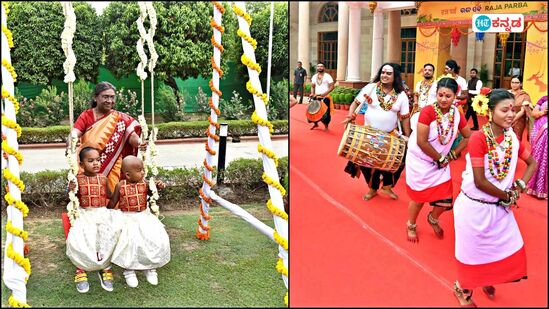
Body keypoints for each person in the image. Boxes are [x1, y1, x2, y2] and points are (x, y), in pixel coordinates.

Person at [452, 89, 537, 306]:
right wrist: (507, 195)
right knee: (472, 254)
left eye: (513, 109)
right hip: (474, 209)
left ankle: (486, 278)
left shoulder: (512, 140)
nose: (511, 114)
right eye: (505, 110)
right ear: (490, 112)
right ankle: (463, 290)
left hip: (499, 207)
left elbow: (532, 163)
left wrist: (519, 186)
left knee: (503, 249)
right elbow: (480, 181)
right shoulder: (478, 138)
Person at [405, 78, 471, 243]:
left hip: (441, 162)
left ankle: (433, 218)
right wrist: (440, 158)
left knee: (446, 200)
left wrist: (453, 154)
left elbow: (467, 136)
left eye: (448, 96)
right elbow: (422, 142)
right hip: (421, 161)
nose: (443, 99)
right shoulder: (428, 111)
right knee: (419, 198)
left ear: (455, 96)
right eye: (440, 95)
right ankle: (411, 224)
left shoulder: (456, 113)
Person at [344, 63, 411, 200]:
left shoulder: (401, 95)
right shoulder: (370, 88)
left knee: (397, 162)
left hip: (390, 135)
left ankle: (387, 187)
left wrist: (407, 136)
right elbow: (355, 104)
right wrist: (351, 120)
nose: (384, 75)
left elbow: (404, 118)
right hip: (368, 134)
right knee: (366, 163)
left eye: (388, 73)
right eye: (383, 72)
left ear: (395, 77)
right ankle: (372, 188)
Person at [66, 147, 124, 293]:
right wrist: (70, 188)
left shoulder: (103, 179)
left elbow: (110, 196)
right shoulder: (77, 179)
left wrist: (120, 188)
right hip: (85, 213)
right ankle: (81, 268)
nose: (96, 163)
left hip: (102, 213)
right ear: (81, 164)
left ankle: (104, 265)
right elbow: (70, 197)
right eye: (90, 161)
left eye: (98, 160)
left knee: (110, 232)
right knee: (83, 236)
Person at [71, 82, 146, 193]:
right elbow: (74, 133)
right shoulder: (86, 116)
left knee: (111, 195)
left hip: (113, 165)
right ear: (95, 98)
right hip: (87, 164)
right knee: (87, 194)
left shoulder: (121, 118)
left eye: (112, 97)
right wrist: (72, 141)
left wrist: (140, 143)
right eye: (105, 97)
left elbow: (132, 136)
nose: (109, 100)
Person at [108, 155, 170, 288]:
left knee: (151, 239)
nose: (143, 172)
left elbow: (153, 191)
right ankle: (129, 270)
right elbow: (113, 202)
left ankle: (150, 267)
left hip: (144, 216)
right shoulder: (120, 186)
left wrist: (158, 185)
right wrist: (106, 214)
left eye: (142, 169)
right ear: (128, 175)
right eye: (139, 170)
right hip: (126, 218)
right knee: (128, 243)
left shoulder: (145, 184)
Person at [526, 95, 548, 199]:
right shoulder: (543, 99)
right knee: (539, 157)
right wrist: (543, 112)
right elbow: (534, 114)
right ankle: (535, 187)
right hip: (541, 129)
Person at [309, 62, 335, 130]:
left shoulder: (327, 76)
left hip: (325, 97)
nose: (320, 67)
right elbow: (312, 86)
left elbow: (332, 87)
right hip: (317, 97)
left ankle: (326, 126)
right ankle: (316, 124)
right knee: (314, 112)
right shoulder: (314, 76)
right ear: (317, 68)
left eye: (321, 66)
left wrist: (325, 93)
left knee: (326, 113)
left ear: (324, 68)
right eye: (318, 66)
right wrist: (312, 93)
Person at [411, 63, 435, 130]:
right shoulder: (419, 83)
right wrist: (415, 101)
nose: (427, 72)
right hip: (419, 111)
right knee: (415, 128)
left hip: (431, 112)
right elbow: (416, 94)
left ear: (433, 72)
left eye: (430, 70)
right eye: (425, 70)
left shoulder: (437, 84)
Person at [509, 75, 533, 141]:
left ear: (521, 84)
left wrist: (512, 120)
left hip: (518, 121)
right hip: (505, 119)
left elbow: (523, 111)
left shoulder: (524, 95)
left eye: (517, 83)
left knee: (516, 141)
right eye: (512, 82)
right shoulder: (507, 93)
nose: (514, 84)